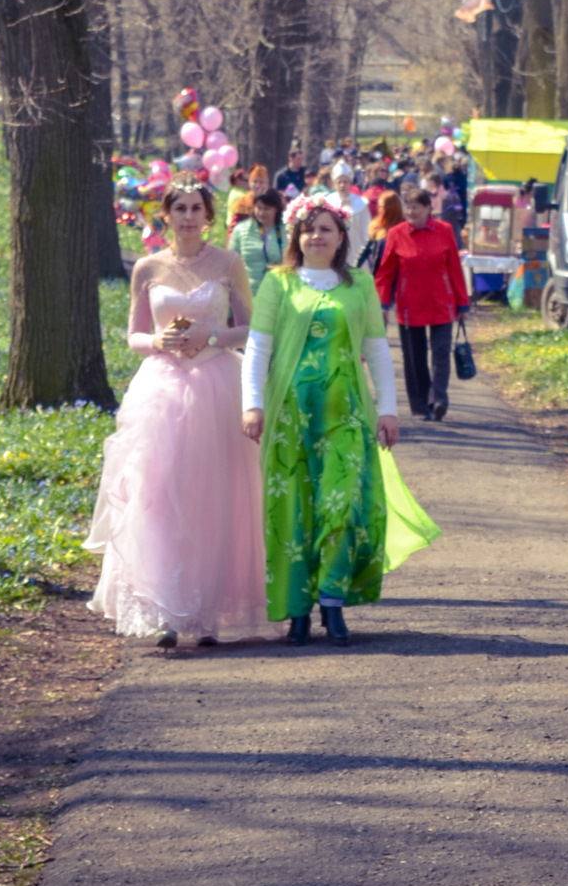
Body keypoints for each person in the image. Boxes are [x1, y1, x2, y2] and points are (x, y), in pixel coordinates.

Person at [240, 193, 439, 645]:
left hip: (347, 414)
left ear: (341, 236)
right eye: (308, 228)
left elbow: (375, 351)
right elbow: (258, 349)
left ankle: (332, 603)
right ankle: (296, 613)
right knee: (292, 511)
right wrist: (252, 404)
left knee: (342, 505)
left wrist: (387, 409)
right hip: (291, 416)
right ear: (296, 235)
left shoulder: (359, 286)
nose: (316, 236)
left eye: (325, 228)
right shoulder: (278, 283)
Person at [85, 180, 276, 645]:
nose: (188, 217)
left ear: (208, 216)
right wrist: (157, 341)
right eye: (180, 209)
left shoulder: (228, 263)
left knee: (213, 496)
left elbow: (251, 328)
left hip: (217, 387)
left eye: (196, 209)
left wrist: (211, 336)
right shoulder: (148, 267)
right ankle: (168, 610)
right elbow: (133, 335)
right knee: (161, 495)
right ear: (165, 215)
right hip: (162, 391)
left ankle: (208, 613)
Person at [375, 188, 470, 422]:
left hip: (441, 302)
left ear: (429, 209)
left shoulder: (444, 231)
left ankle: (438, 400)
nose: (410, 211)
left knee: (440, 353)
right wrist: (382, 304)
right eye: (407, 207)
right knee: (414, 357)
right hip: (410, 305)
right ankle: (420, 405)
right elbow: (385, 273)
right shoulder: (396, 234)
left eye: (416, 207)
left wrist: (462, 304)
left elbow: (455, 269)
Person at [229, 186, 286, 291]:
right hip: (248, 293)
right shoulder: (241, 229)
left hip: (278, 291)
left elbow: (294, 262)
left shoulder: (286, 230)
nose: (261, 213)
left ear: (277, 209)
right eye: (259, 208)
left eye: (267, 209)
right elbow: (230, 263)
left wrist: (280, 268)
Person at [358, 188, 404, 275]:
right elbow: (365, 249)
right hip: (379, 273)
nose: (380, 210)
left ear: (391, 208)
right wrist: (355, 268)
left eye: (383, 207)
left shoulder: (403, 227)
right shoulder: (376, 225)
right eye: (379, 206)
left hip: (397, 274)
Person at [331, 159, 371, 260]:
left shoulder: (360, 203)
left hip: (355, 246)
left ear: (350, 183)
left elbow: (366, 228)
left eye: (345, 182)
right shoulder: (328, 201)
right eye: (339, 182)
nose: (342, 185)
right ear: (334, 184)